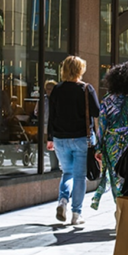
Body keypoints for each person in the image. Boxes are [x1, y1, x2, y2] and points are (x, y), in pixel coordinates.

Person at [46, 56, 100, 226]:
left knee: (67, 173)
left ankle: (62, 201)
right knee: (79, 176)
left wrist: (50, 138)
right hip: (81, 139)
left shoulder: (57, 89)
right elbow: (97, 112)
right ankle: (76, 214)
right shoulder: (86, 89)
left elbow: (51, 116)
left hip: (60, 139)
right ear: (80, 70)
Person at [90, 62, 128, 210]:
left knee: (115, 177)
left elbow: (101, 125)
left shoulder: (107, 99)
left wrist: (99, 148)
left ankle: (120, 211)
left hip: (112, 143)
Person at [35, 80, 59, 171]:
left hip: (56, 127)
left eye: (51, 89)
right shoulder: (42, 100)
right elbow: (36, 111)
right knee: (48, 146)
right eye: (47, 89)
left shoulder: (58, 99)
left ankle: (56, 165)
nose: (49, 91)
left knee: (56, 147)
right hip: (45, 126)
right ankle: (52, 165)